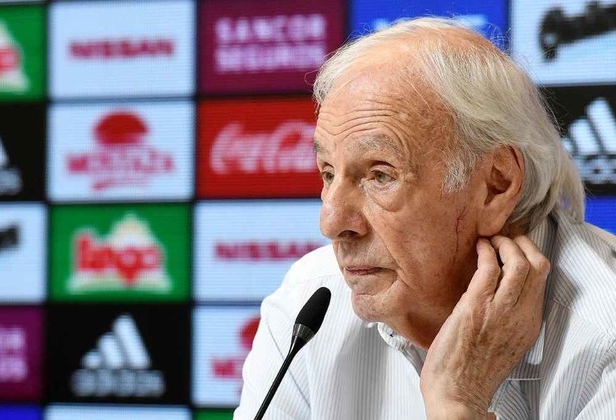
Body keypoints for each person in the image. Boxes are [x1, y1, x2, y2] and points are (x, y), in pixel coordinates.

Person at [235, 17, 616, 419]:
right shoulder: (308, 302)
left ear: (495, 185)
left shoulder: (605, 335)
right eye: (328, 173)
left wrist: (459, 404)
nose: (331, 222)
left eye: (380, 175)